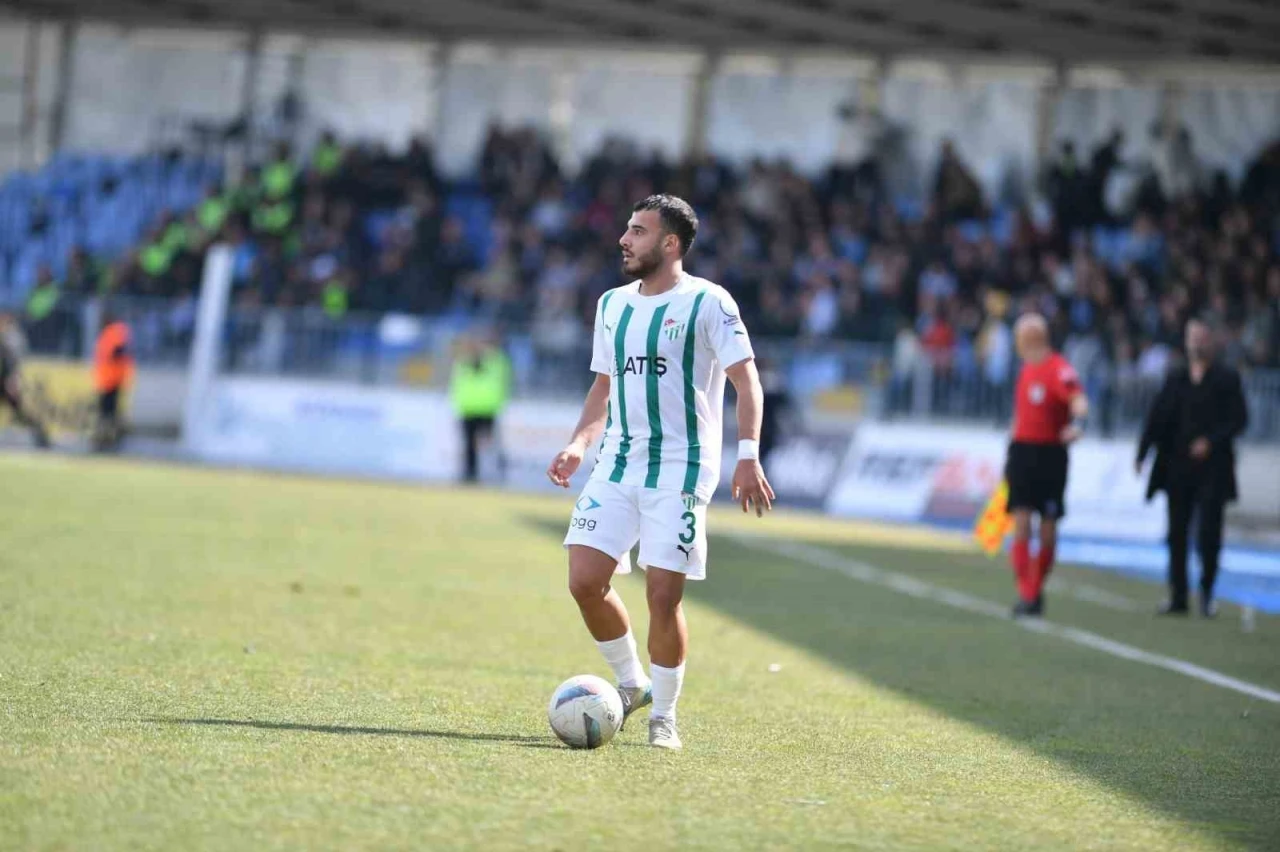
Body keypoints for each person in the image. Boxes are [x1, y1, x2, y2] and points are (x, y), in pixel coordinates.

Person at [546, 194, 774, 750]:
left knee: (663, 596)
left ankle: (664, 717)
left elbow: (746, 381)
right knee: (584, 581)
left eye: (638, 231)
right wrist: (579, 443)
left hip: (682, 467)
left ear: (670, 244)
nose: (624, 239)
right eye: (627, 228)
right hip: (617, 462)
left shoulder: (709, 303)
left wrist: (748, 454)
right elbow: (604, 385)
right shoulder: (611, 305)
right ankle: (633, 683)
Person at [1136, 319, 1248, 617]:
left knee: (1209, 533)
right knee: (1176, 532)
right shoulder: (1176, 377)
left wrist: (1211, 441)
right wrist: (1142, 452)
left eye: (1201, 336)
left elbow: (1239, 419)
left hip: (1213, 468)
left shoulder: (1226, 378)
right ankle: (1178, 595)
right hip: (1177, 466)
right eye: (1192, 337)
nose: (1196, 342)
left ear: (1211, 340)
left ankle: (1207, 592)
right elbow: (1157, 417)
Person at [1004, 313, 1088, 617]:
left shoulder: (1058, 368)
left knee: (1048, 526)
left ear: (1031, 338)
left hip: (1050, 454)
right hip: (1022, 452)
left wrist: (1077, 425)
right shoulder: (1025, 368)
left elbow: (1078, 399)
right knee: (1021, 520)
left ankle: (1034, 589)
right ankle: (1028, 593)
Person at [449, 333, 511, 483]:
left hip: (487, 408)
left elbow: (503, 381)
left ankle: (497, 472)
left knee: (490, 444)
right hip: (468, 408)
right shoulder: (463, 362)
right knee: (469, 445)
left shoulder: (496, 361)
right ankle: (470, 474)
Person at [0, 312, 51, 448]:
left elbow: (12, 363)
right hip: (4, 383)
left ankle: (41, 435)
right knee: (19, 413)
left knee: (20, 413)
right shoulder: (6, 339)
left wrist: (13, 380)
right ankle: (40, 435)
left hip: (5, 384)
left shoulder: (10, 340)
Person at [92, 312, 135, 452]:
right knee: (107, 411)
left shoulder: (115, 332)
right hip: (108, 380)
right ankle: (108, 436)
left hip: (112, 380)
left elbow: (119, 350)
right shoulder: (111, 333)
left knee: (108, 411)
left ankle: (109, 437)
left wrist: (114, 355)